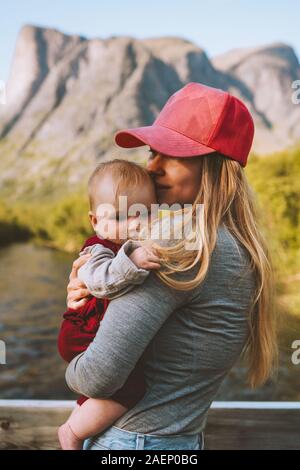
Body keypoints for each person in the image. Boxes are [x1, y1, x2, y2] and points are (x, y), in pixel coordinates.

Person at [64, 82, 278, 451]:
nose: (152, 167)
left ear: (215, 167)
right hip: (181, 439)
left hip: (131, 443)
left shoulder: (179, 247)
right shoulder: (238, 248)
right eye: (152, 152)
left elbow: (96, 379)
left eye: (172, 153)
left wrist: (73, 333)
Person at [57, 159, 162, 449]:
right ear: (95, 221)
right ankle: (73, 433)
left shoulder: (140, 240)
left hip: (96, 332)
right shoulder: (97, 248)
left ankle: (81, 415)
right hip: (82, 331)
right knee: (130, 388)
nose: (131, 224)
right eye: (117, 217)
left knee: (112, 385)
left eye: (140, 214)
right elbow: (100, 279)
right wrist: (132, 261)